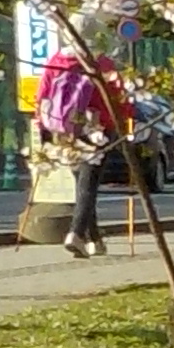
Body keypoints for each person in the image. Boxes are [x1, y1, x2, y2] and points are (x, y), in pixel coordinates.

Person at [34, 37, 121, 258]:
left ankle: (95, 240)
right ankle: (76, 233)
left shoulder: (56, 60)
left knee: (82, 185)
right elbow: (115, 95)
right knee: (88, 185)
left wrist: (42, 125)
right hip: (96, 127)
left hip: (64, 129)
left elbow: (42, 94)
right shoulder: (101, 63)